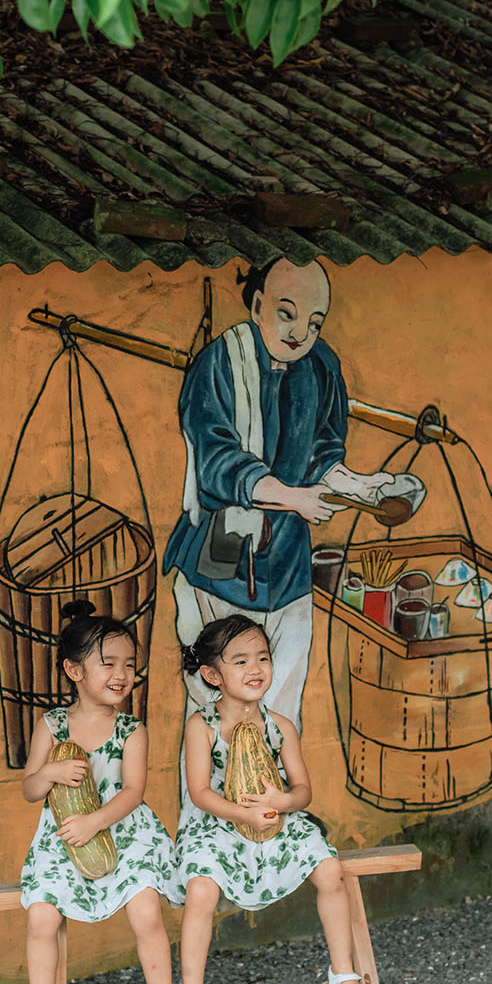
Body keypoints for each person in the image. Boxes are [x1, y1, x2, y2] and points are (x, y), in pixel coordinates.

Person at [164, 257, 390, 727]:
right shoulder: (220, 363)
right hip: (219, 564)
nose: (300, 333)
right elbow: (218, 465)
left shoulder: (321, 366)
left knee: (282, 715)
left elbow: (323, 452)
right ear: (257, 306)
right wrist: (295, 498)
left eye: (315, 322)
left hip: (287, 568)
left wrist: (363, 487)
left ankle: (278, 782)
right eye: (287, 314)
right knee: (215, 719)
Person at [173, 614, 383, 984]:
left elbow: (303, 790)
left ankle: (343, 975)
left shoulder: (281, 726)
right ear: (212, 674)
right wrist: (244, 812)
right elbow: (200, 793)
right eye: (240, 661)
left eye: (263, 658)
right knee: (201, 891)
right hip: (218, 825)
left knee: (331, 870)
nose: (256, 668)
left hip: (277, 821)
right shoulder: (201, 725)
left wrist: (281, 802)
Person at [18, 600, 181, 984]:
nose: (122, 674)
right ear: (74, 671)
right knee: (41, 917)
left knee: (146, 910)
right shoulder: (51, 725)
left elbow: (133, 792)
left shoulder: (131, 729)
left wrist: (96, 822)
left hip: (124, 832)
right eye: (108, 664)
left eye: (129, 664)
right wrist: (49, 772)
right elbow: (30, 789)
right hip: (64, 837)